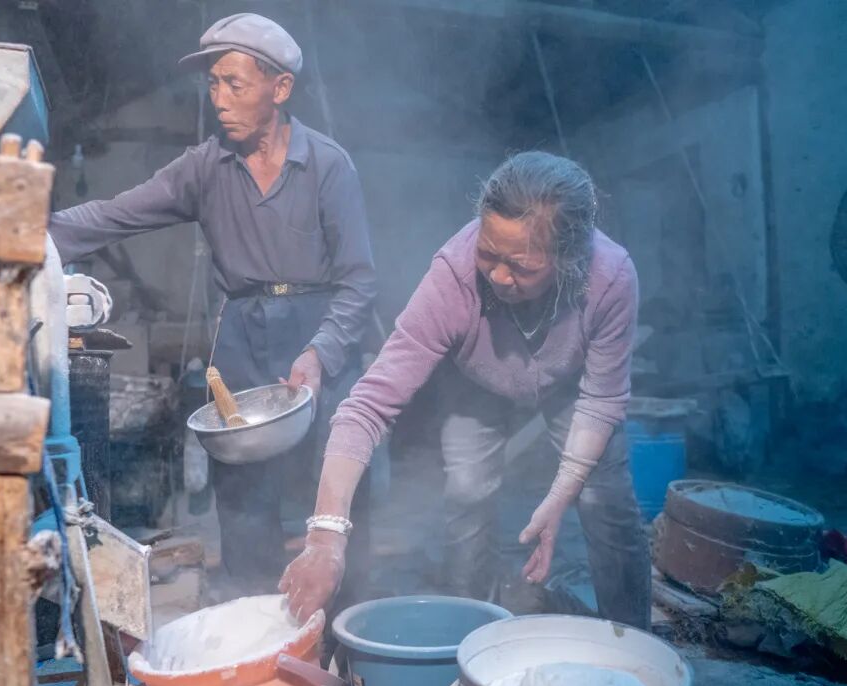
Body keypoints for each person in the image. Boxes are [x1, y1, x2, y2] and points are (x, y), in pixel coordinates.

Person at [48, 13, 376, 598]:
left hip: (320, 332)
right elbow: (115, 214)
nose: (219, 99)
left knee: (340, 489)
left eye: (234, 84)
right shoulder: (205, 167)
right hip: (243, 334)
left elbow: (358, 283)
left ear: (280, 88)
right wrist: (25, 232)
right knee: (245, 498)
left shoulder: (328, 166)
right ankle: (256, 622)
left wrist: (321, 353)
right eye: (214, 84)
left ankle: (347, 623)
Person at [281, 151, 651, 630]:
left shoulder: (611, 278)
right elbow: (367, 407)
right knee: (467, 491)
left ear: (569, 259)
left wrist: (560, 497)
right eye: (488, 253)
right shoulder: (454, 276)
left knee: (606, 501)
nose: (497, 276)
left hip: (571, 386)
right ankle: (469, 627)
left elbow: (602, 400)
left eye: (520, 266)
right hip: (476, 380)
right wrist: (325, 536)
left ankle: (633, 641)